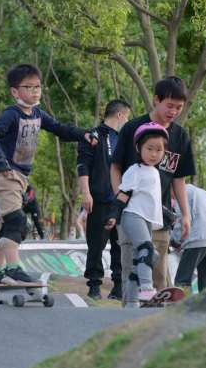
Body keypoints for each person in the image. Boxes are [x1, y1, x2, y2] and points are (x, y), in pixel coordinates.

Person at [0, 63, 97, 284]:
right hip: (5, 175)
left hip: (20, 177)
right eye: (29, 87)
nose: (35, 91)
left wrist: (83, 134)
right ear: (15, 91)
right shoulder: (11, 114)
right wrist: (0, 160)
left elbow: (60, 129)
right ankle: (13, 269)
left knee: (8, 226)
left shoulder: (38, 114)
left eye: (38, 87)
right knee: (18, 222)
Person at [110, 76, 195, 291]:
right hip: (131, 215)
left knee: (157, 274)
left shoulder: (180, 136)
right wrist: (120, 202)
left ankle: (154, 319)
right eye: (169, 106)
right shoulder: (132, 128)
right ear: (156, 100)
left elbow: (179, 179)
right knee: (132, 271)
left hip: (159, 218)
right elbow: (115, 168)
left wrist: (185, 214)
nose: (173, 112)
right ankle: (129, 315)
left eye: (179, 107)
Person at [106, 122, 169, 307]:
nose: (154, 154)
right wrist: (113, 215)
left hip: (146, 218)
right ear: (138, 148)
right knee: (146, 250)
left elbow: (151, 200)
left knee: (138, 261)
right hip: (132, 216)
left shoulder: (155, 172)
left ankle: (132, 302)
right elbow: (123, 195)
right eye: (149, 149)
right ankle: (147, 289)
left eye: (159, 150)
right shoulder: (135, 170)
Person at [77, 99, 131, 300]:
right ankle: (94, 285)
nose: (128, 120)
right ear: (120, 115)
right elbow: (82, 165)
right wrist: (86, 192)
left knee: (119, 244)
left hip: (119, 201)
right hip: (98, 199)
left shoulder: (124, 139)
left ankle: (118, 287)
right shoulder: (93, 135)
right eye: (127, 116)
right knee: (96, 244)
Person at [171, 184, 206, 292]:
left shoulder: (181, 193)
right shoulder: (205, 193)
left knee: (182, 281)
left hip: (197, 239)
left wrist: (174, 240)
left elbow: (182, 220)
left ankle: (183, 307)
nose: (171, 198)